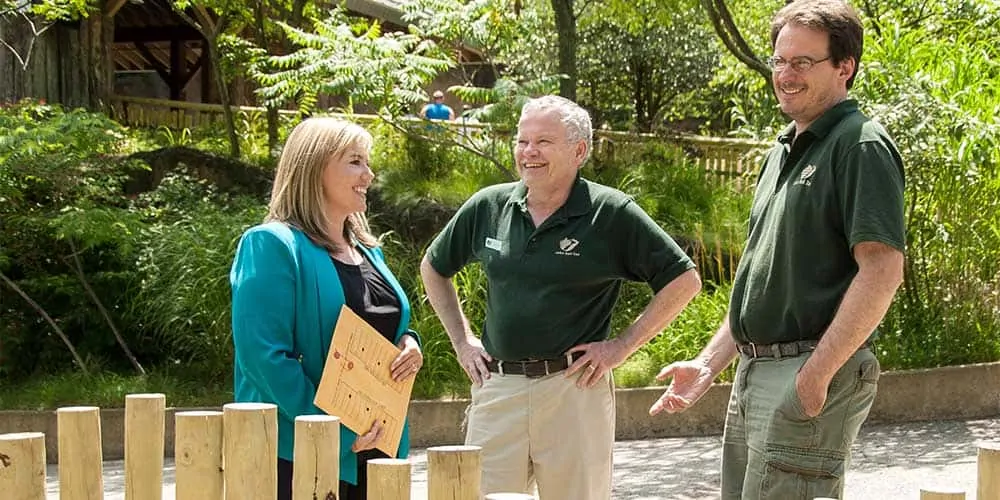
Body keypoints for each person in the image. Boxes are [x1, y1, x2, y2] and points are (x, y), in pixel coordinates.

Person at [648, 1, 906, 499]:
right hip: (753, 374)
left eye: (803, 63)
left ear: (844, 67)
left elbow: (882, 271)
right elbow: (761, 282)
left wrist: (815, 377)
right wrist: (707, 367)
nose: (786, 74)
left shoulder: (860, 144)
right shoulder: (781, 153)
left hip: (805, 371)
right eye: (779, 61)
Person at [421, 95, 702, 499]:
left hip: (573, 390)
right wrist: (462, 342)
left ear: (579, 150)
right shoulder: (489, 205)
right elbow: (434, 266)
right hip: (498, 388)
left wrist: (620, 347)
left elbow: (683, 281)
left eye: (543, 142)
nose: (528, 152)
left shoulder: (610, 212)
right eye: (522, 141)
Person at [230, 117, 423, 500]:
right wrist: (331, 430)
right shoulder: (271, 244)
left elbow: (386, 326)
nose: (368, 175)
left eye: (367, 162)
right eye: (355, 161)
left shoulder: (370, 250)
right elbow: (264, 357)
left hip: (379, 444)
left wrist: (409, 344)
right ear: (314, 167)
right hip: (300, 451)